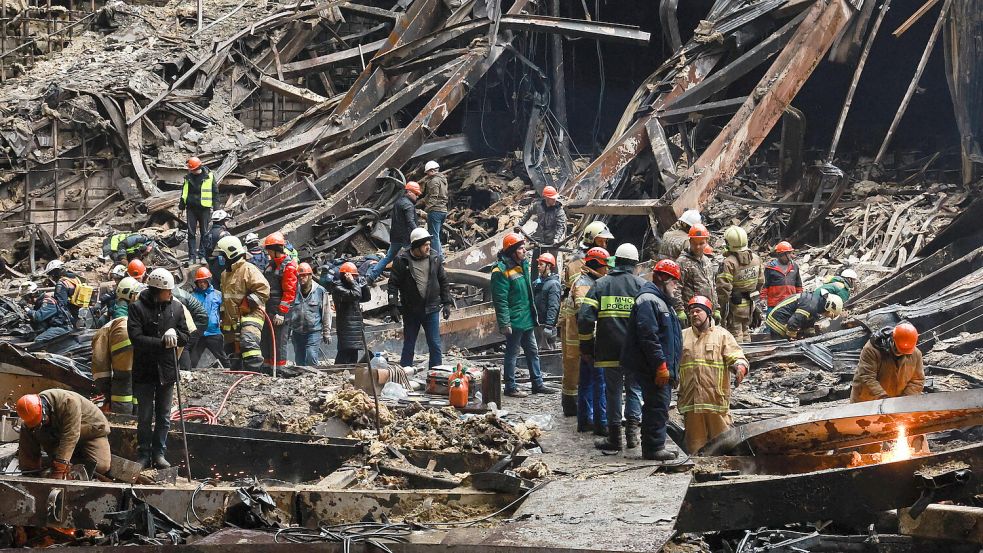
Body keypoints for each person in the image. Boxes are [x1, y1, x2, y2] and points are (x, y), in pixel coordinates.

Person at [580, 243, 646, 450]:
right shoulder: (642, 286)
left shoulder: (601, 284)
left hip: (608, 349)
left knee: (613, 392)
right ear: (635, 264)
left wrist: (587, 347)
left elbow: (584, 318)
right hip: (635, 351)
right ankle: (633, 437)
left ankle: (615, 438)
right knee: (634, 390)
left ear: (615, 261)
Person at [127, 268, 190, 469]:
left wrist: (176, 335)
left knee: (163, 416)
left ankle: (159, 454)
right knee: (145, 416)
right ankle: (144, 453)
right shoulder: (137, 308)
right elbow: (136, 338)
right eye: (167, 290)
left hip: (167, 370)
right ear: (156, 290)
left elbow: (186, 335)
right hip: (145, 370)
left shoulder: (177, 308)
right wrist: (161, 342)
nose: (171, 293)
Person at [623, 259, 683, 460]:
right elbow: (649, 336)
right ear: (662, 277)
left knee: (658, 404)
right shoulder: (650, 300)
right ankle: (654, 448)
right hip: (651, 366)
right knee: (656, 404)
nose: (676, 285)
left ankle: (654, 445)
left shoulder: (661, 301)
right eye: (673, 281)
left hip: (656, 365)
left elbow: (668, 337)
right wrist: (661, 365)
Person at [679, 296, 749, 453]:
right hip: (691, 401)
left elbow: (736, 355)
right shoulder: (682, 336)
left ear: (708, 313)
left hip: (715, 401)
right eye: (691, 312)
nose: (694, 314)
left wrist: (740, 367)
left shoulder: (722, 335)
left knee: (723, 445)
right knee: (695, 448)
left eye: (698, 311)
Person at [559, 221, 614, 417]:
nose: (605, 245)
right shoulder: (578, 263)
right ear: (592, 240)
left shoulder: (585, 260)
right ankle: (572, 406)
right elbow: (582, 296)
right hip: (576, 321)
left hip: (580, 318)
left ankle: (581, 408)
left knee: (580, 365)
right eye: (602, 241)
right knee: (573, 362)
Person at [490, 232, 555, 398]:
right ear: (512, 251)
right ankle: (510, 387)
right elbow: (500, 300)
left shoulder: (523, 264)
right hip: (515, 320)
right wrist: (505, 323)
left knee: (532, 351)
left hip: (526, 317)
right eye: (520, 248)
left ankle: (537, 383)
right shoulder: (500, 271)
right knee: (512, 353)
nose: (524, 251)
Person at [388, 228, 452, 368]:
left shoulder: (434, 258)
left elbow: (443, 280)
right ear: (416, 245)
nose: (428, 247)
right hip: (411, 311)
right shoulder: (402, 261)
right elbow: (393, 283)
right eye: (425, 245)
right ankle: (404, 374)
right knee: (409, 344)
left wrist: (447, 302)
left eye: (429, 244)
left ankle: (436, 374)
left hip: (431, 309)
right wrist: (393, 305)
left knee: (435, 344)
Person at [16, 390, 111, 478]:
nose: (41, 423)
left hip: (90, 431)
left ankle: (65, 463)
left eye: (42, 420)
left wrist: (60, 468)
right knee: (26, 429)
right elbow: (30, 428)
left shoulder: (69, 402)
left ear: (44, 410)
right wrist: (29, 470)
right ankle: (33, 470)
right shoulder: (32, 413)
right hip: (59, 432)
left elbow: (71, 435)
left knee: (101, 466)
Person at [567, 247, 610, 432]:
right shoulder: (586, 284)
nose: (607, 270)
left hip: (582, 340)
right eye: (605, 267)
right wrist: (590, 345)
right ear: (597, 265)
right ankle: (599, 422)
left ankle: (585, 420)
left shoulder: (586, 280)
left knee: (586, 380)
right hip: (589, 341)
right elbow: (586, 317)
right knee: (598, 381)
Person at [216, 236, 270, 372]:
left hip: (251, 314)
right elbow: (226, 299)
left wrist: (248, 302)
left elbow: (263, 290)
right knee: (231, 347)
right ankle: (238, 375)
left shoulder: (248, 269)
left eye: (222, 255)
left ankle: (255, 375)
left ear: (231, 253)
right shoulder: (224, 275)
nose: (221, 259)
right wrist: (223, 318)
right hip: (231, 318)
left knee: (248, 342)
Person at [91, 277, 141, 415]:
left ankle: (124, 422)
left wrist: (107, 394)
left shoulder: (106, 329)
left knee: (122, 383)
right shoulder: (141, 312)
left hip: (122, 339)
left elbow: (100, 366)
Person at [851, 322, 924, 402]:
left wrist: (904, 400)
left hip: (896, 403)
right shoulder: (872, 350)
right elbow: (867, 377)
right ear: (893, 339)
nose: (901, 353)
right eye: (898, 349)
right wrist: (885, 400)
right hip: (866, 400)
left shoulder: (916, 354)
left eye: (905, 352)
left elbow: (917, 380)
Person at [716, 226, 764, 343]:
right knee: (746, 332)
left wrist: (721, 310)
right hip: (750, 305)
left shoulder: (729, 263)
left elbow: (723, 289)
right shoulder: (756, 259)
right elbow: (760, 282)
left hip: (734, 307)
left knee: (735, 335)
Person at [368, 181, 420, 283]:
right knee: (414, 258)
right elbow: (410, 221)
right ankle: (417, 279)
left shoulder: (399, 202)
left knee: (388, 258)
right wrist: (418, 233)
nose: (417, 196)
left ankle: (370, 278)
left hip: (396, 236)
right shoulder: (408, 205)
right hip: (407, 237)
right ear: (409, 192)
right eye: (416, 193)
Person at [261, 232, 298, 372]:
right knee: (266, 339)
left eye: (268, 249)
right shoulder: (270, 265)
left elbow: (290, 292)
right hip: (269, 309)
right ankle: (268, 367)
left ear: (275, 249)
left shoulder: (289, 267)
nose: (267, 253)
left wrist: (282, 313)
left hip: (280, 312)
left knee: (279, 340)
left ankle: (279, 369)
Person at [519, 186, 567, 281]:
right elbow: (528, 212)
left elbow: (560, 226)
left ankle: (554, 282)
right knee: (536, 262)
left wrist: (556, 239)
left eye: (554, 198)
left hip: (552, 240)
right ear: (546, 198)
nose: (554, 200)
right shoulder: (538, 206)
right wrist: (520, 224)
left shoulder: (559, 210)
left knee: (552, 262)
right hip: (539, 239)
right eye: (552, 198)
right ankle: (533, 283)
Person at [178, 157, 219, 266]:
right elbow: (184, 192)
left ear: (197, 168)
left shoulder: (209, 176)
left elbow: (215, 193)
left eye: (191, 169)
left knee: (204, 233)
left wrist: (216, 209)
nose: (190, 171)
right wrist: (181, 206)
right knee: (191, 233)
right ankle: (192, 257)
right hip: (191, 208)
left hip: (204, 209)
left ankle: (202, 256)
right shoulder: (188, 178)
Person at [675, 224, 718, 325]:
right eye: (694, 243)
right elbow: (676, 288)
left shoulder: (707, 261)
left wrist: (716, 308)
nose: (698, 247)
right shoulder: (682, 262)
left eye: (701, 243)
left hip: (707, 313)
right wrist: (679, 310)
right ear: (689, 242)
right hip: (691, 314)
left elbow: (712, 286)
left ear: (707, 241)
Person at [291, 262, 332, 366]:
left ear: (310, 275)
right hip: (297, 331)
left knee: (311, 355)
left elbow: (326, 312)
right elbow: (289, 311)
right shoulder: (293, 291)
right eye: (299, 276)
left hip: (313, 331)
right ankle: (302, 380)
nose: (301, 278)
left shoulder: (320, 291)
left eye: (304, 275)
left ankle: (314, 377)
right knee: (299, 359)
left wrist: (326, 332)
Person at [330, 262, 370, 364]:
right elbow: (356, 295)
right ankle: (337, 374)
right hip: (347, 327)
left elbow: (366, 298)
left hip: (356, 327)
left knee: (353, 353)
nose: (355, 279)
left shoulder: (352, 286)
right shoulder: (338, 288)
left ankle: (351, 375)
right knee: (345, 352)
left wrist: (364, 285)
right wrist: (354, 283)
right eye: (353, 276)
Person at [766, 289, 843, 340]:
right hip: (778, 320)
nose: (828, 316)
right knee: (784, 347)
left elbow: (806, 322)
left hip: (781, 317)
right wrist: (792, 337)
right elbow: (794, 322)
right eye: (831, 315)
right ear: (828, 307)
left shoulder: (815, 303)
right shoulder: (810, 305)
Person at [190, 267, 229, 368]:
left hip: (214, 332)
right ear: (196, 283)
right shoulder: (192, 296)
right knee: (193, 359)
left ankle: (232, 373)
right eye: (200, 282)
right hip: (198, 333)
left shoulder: (218, 295)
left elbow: (224, 311)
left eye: (204, 281)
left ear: (208, 281)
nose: (202, 284)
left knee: (223, 358)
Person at [762, 241, 802, 314]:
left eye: (790, 253)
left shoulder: (795, 266)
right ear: (781, 254)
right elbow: (765, 285)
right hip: (774, 304)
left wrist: (801, 299)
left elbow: (798, 285)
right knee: (772, 324)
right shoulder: (770, 268)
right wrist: (763, 299)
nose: (791, 255)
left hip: (791, 303)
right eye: (788, 253)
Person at [533, 252, 562, 351]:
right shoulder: (539, 282)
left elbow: (553, 306)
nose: (538, 266)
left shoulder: (553, 284)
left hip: (546, 325)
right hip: (538, 324)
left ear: (548, 266)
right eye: (538, 264)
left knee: (548, 353)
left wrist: (549, 326)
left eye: (541, 264)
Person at [421, 161, 448, 259]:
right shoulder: (443, 179)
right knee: (437, 235)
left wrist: (427, 209)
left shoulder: (433, 181)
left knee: (433, 236)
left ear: (432, 171)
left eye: (427, 172)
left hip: (435, 210)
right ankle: (440, 256)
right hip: (443, 210)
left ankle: (438, 258)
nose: (427, 174)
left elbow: (434, 196)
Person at [202, 209, 232, 280]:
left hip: (211, 265)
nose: (228, 222)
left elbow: (205, 250)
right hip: (223, 265)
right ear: (222, 221)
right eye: (226, 220)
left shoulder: (207, 233)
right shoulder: (224, 234)